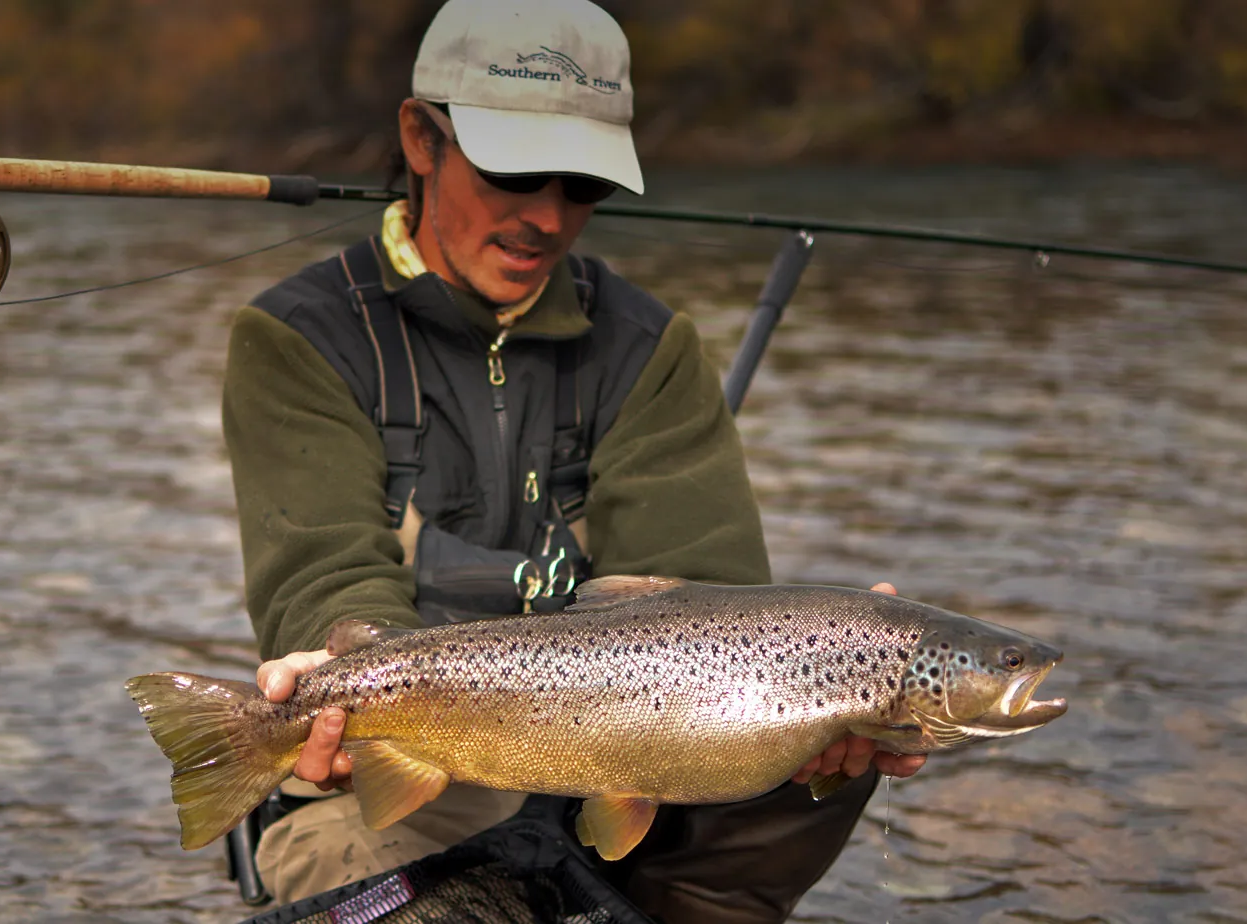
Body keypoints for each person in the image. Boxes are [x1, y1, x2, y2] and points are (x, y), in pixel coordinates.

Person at [219, 2, 925, 921]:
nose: (547, 216)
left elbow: (710, 594)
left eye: (583, 182)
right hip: (408, 765)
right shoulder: (297, 338)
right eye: (514, 170)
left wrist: (829, 663)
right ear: (420, 140)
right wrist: (340, 677)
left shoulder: (648, 344)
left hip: (643, 750)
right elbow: (324, 571)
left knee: (822, 750)